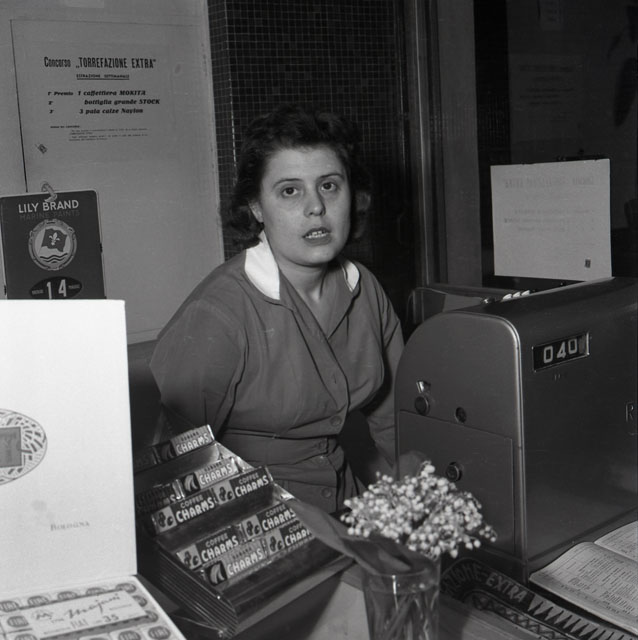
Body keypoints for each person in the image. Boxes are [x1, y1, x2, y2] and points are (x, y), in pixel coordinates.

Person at [150, 104, 404, 512]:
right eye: (290, 191)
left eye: (329, 185)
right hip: (251, 516)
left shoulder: (365, 290)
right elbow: (171, 467)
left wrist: (415, 503)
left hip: (345, 503)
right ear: (256, 207)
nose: (315, 207)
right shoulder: (219, 313)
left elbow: (396, 420)